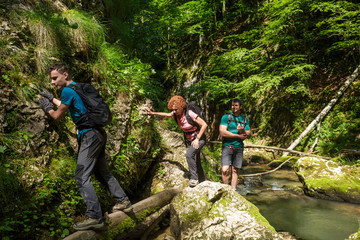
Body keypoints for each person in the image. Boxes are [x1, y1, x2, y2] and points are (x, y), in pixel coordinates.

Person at [38, 62, 132, 231]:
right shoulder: (77, 88)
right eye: (51, 79)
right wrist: (51, 98)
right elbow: (67, 104)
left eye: (55, 78)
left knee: (81, 176)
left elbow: (58, 115)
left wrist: (47, 108)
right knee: (102, 171)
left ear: (65, 75)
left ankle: (94, 216)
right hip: (99, 134)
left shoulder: (67, 90)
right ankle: (123, 201)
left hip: (89, 136)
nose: (52, 83)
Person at [145, 96, 207, 187]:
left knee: (189, 155)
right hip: (190, 140)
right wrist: (152, 113)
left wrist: (197, 139)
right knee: (196, 161)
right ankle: (202, 182)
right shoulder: (175, 115)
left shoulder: (190, 113)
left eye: (176, 109)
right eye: (172, 109)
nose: (174, 111)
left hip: (199, 139)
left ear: (182, 107)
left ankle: (194, 178)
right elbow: (166, 114)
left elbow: (204, 124)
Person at [219, 98, 251, 190]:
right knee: (225, 170)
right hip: (227, 146)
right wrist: (237, 136)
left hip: (239, 147)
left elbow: (248, 135)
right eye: (232, 105)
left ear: (240, 107)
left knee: (234, 170)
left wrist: (242, 130)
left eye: (236, 105)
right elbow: (222, 132)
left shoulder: (244, 119)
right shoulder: (226, 117)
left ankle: (233, 190)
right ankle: (226, 189)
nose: (234, 107)